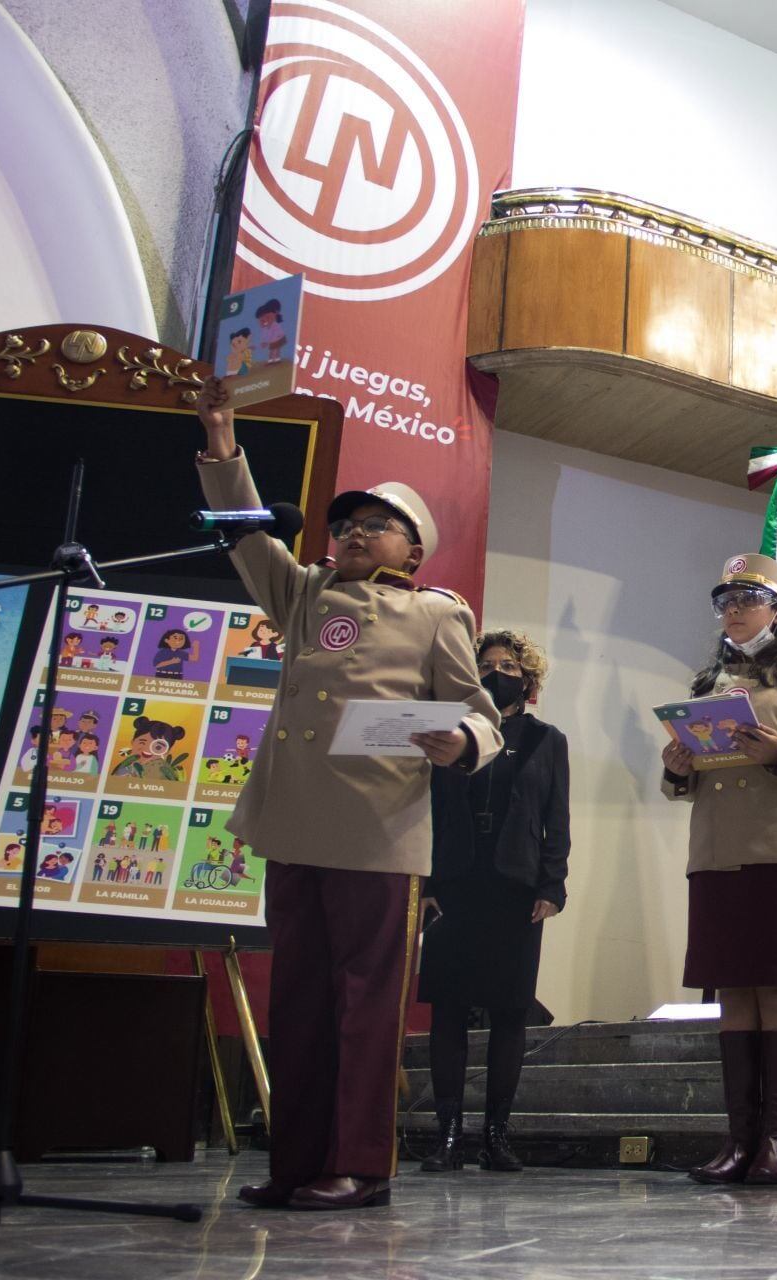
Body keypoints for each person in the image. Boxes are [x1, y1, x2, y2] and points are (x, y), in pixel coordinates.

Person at [192, 376, 503, 1209]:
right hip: (294, 828)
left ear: (413, 548)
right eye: (347, 524)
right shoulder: (302, 594)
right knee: (296, 1001)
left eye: (378, 525)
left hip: (377, 832)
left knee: (366, 1010)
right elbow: (243, 536)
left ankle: (359, 1166)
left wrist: (462, 741)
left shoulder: (437, 615)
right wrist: (222, 440)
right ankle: (295, 1163)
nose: (355, 533)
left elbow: (483, 716)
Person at [660, 553, 777, 1186]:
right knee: (733, 993)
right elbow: (683, 785)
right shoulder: (705, 684)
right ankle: (738, 1140)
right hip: (716, 854)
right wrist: (677, 767)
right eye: (725, 601)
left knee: (776, 990)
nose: (733, 609)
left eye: (746, 598)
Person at [418, 628, 570, 1175]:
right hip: (454, 885)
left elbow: (556, 817)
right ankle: (449, 1137)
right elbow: (424, 811)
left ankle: (497, 1137)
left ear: (526, 681)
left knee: (510, 1014)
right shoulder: (445, 732)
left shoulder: (547, 740)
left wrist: (553, 887)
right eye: (486, 662)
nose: (495, 670)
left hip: (517, 890)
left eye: (508, 664)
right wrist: (426, 884)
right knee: (448, 1013)